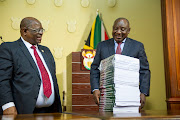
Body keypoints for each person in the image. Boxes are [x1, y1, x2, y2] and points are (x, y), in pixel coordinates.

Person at [0, 17, 62, 115]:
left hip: (50, 112)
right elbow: (2, 79)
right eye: (36, 30)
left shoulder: (46, 51)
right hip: (23, 112)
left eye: (41, 30)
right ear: (24, 31)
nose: (41, 33)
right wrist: (7, 105)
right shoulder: (9, 49)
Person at [90, 17, 150, 109]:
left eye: (122, 29)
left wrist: (143, 92)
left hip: (130, 95)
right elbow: (94, 68)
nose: (118, 32)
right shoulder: (102, 46)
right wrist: (95, 89)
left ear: (128, 30)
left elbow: (144, 70)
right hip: (107, 95)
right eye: (115, 28)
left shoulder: (138, 46)